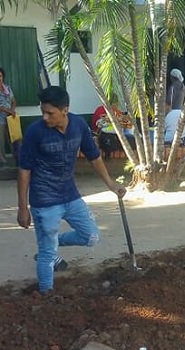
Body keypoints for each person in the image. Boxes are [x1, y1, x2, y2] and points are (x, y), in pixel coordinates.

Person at [17, 86, 126, 293]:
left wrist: (111, 185)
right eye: (43, 112)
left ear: (65, 110)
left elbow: (94, 157)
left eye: (50, 113)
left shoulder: (78, 125)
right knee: (48, 256)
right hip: (44, 200)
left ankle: (49, 244)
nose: (45, 117)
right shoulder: (35, 132)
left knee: (91, 236)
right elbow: (24, 171)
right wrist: (23, 207)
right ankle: (46, 294)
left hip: (70, 194)